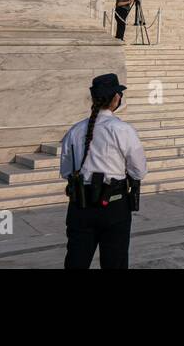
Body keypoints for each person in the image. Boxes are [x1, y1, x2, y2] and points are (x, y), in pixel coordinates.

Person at [59, 73, 148, 269]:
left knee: (76, 261)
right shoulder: (122, 129)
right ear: (116, 98)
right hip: (113, 204)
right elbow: (139, 171)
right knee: (114, 262)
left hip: (80, 205)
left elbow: (66, 171)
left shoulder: (74, 130)